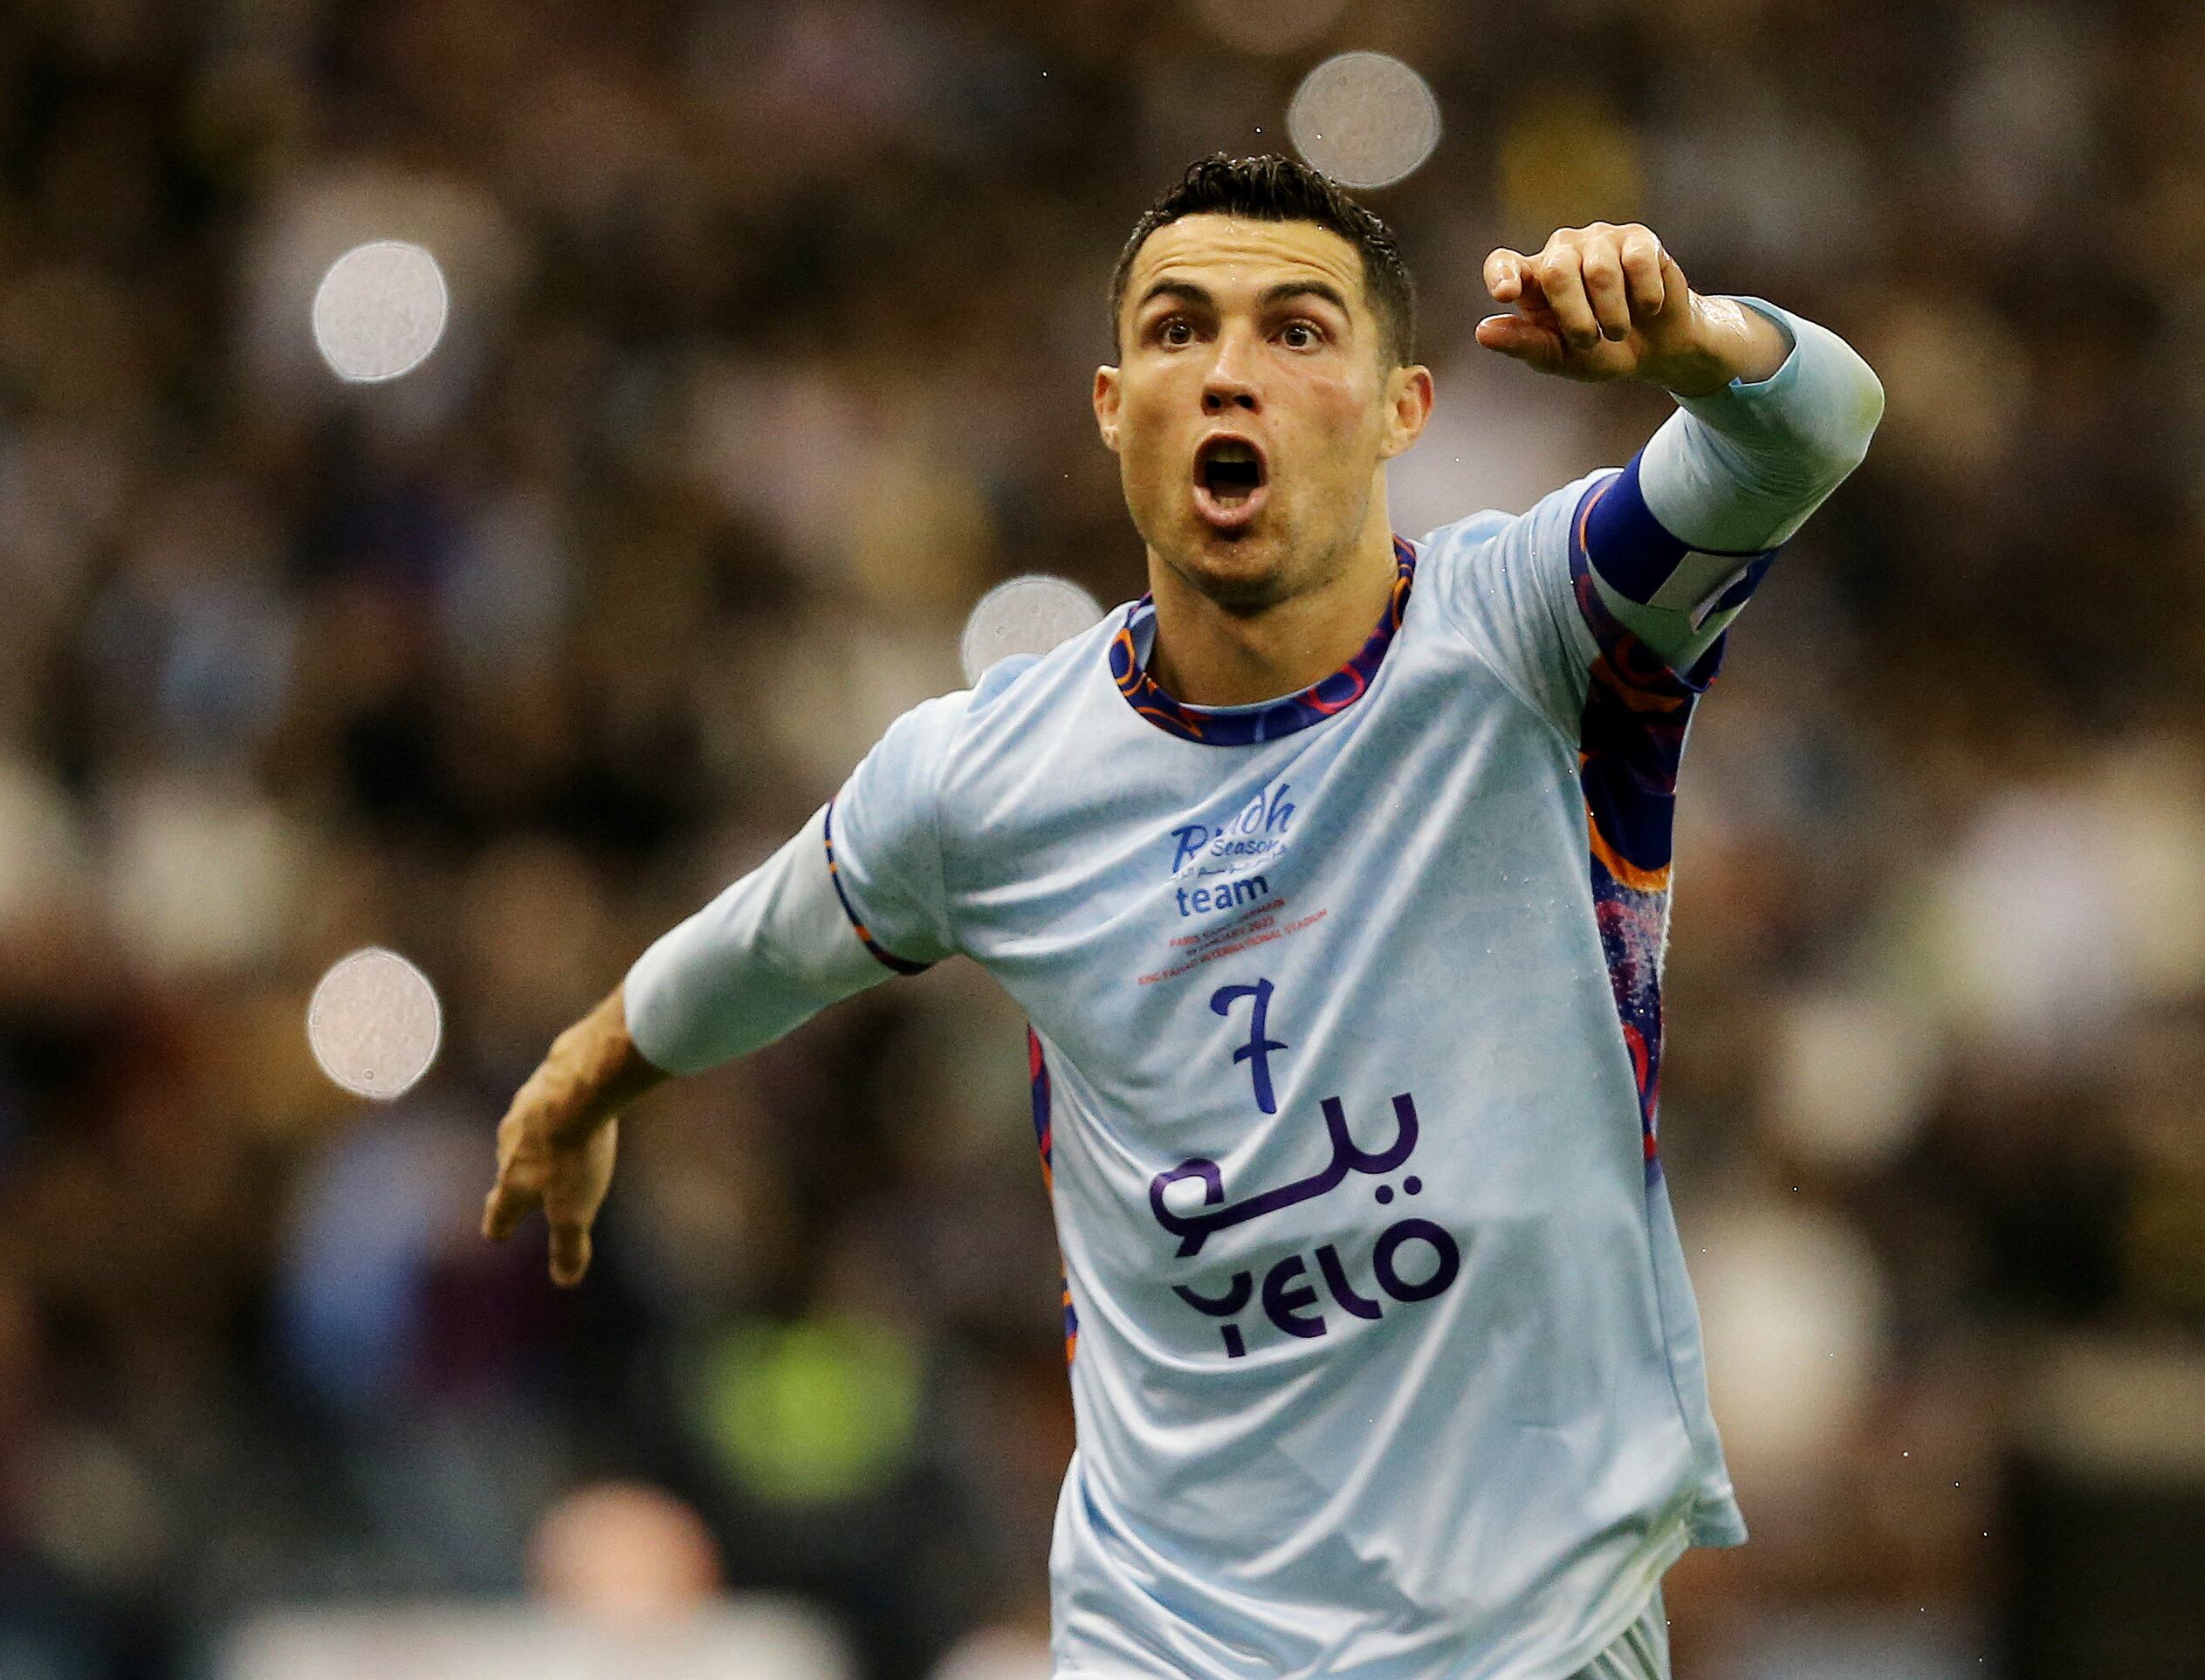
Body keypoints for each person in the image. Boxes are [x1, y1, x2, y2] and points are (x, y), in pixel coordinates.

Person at [483, 153, 1883, 1680]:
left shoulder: (1540, 631)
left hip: (1529, 1639)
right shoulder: (984, 782)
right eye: (1173, 329)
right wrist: (589, 1072)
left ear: (1402, 407)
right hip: (1169, 1642)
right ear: (1110, 406)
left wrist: (1690, 342)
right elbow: (760, 949)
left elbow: (1814, 424)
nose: (1227, 373)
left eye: (1294, 331)